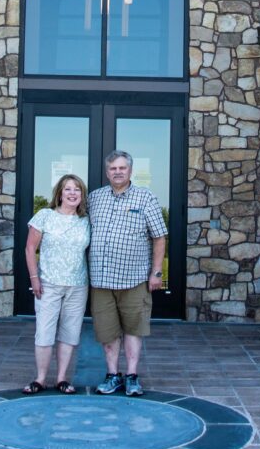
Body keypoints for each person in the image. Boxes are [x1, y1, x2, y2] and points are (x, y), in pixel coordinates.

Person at [88, 150, 167, 397]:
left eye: (122, 168)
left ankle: (132, 376)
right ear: (107, 172)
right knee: (107, 331)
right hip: (101, 281)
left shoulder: (146, 198)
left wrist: (156, 272)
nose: (118, 172)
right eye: (113, 168)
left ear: (130, 170)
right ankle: (113, 375)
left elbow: (159, 237)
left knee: (134, 329)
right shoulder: (94, 198)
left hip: (134, 280)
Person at [23, 174, 90, 395]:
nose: (72, 193)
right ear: (60, 193)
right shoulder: (44, 216)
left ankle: (62, 379)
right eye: (68, 189)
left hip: (77, 285)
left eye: (77, 189)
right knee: (44, 332)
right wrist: (35, 278)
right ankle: (40, 379)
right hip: (48, 283)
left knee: (70, 333)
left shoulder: (86, 220)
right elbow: (30, 249)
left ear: (82, 194)